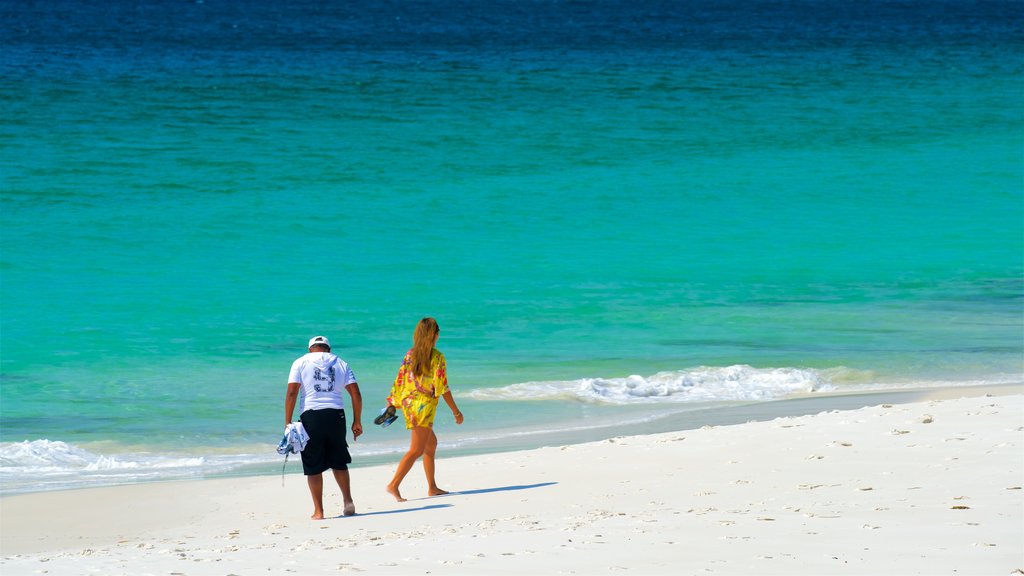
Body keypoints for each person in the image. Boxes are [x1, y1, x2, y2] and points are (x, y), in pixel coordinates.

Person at [384, 317, 464, 502]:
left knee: (430, 444)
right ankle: (394, 485)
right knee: (416, 449)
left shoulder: (410, 354)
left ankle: (432, 487)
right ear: (435, 335)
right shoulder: (437, 357)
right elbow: (443, 388)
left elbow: (399, 381)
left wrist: (391, 402)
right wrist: (456, 412)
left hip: (409, 406)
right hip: (423, 408)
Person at [285, 335, 363, 519]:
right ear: (328, 348)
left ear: (310, 348)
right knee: (339, 461)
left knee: (313, 464)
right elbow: (355, 393)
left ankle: (319, 511)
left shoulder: (300, 362)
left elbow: (292, 392)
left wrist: (287, 422)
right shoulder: (341, 362)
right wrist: (357, 421)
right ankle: (348, 501)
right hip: (336, 416)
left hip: (311, 416)